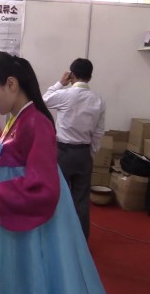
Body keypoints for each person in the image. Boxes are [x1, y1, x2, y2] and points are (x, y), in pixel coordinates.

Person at [0, 52, 106, 294]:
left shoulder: (35, 123)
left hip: (32, 229)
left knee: (32, 282)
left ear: (11, 84)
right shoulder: (18, 119)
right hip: (16, 217)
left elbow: (42, 187)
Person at [42, 58, 105, 240]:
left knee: (57, 196)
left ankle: (57, 240)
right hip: (84, 153)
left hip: (62, 152)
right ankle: (81, 242)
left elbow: (43, 100)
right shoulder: (99, 100)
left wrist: (59, 84)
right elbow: (99, 132)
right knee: (81, 200)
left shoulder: (66, 95)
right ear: (90, 77)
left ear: (72, 75)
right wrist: (90, 153)